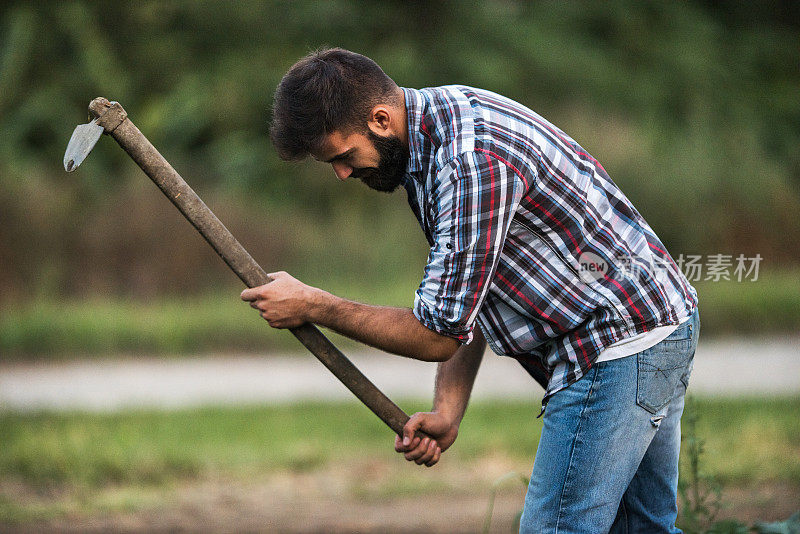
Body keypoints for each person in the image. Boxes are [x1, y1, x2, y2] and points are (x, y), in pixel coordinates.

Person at [241, 48, 700, 533]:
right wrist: (448, 409)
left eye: (344, 156)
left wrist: (315, 304)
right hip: (656, 321)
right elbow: (471, 295)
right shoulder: (432, 136)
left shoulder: (467, 164)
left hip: (617, 342)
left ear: (380, 119)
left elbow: (435, 334)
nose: (342, 173)